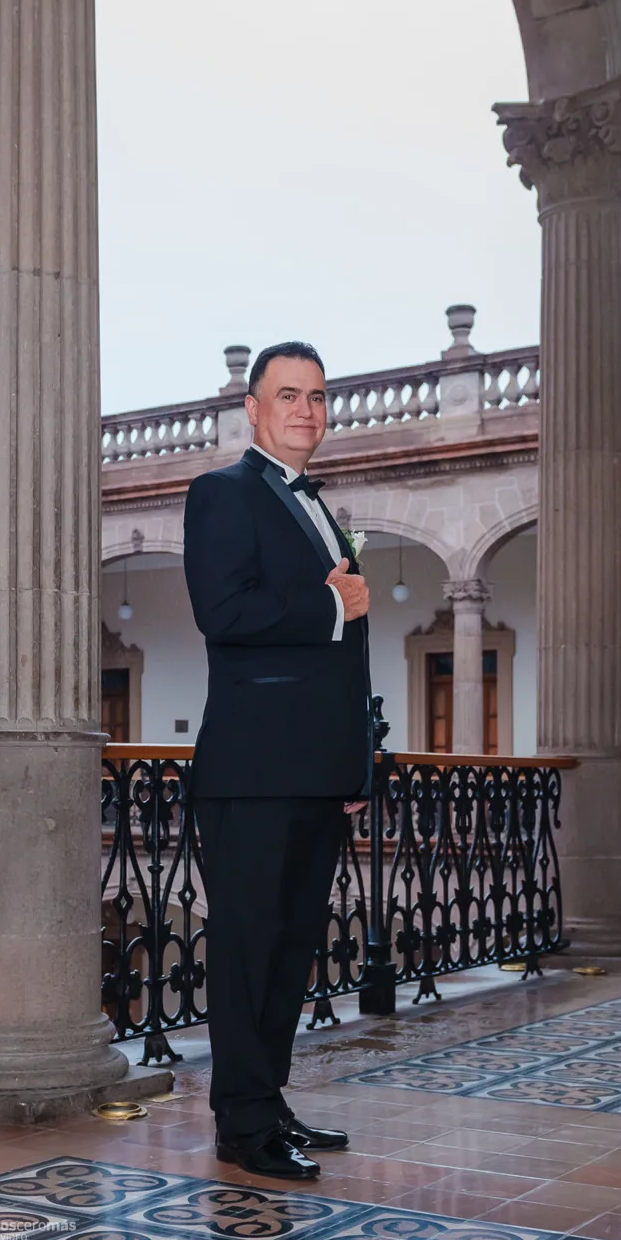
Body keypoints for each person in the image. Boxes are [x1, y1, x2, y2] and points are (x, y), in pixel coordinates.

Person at [181, 341, 374, 1181]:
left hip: (316, 769)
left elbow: (346, 660)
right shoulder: (219, 493)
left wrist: (355, 766)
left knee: (291, 946)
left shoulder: (320, 506)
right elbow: (221, 611)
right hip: (252, 769)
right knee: (248, 948)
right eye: (289, 395)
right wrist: (330, 601)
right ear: (253, 409)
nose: (307, 409)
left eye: (319, 397)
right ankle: (240, 1124)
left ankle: (268, 1097)